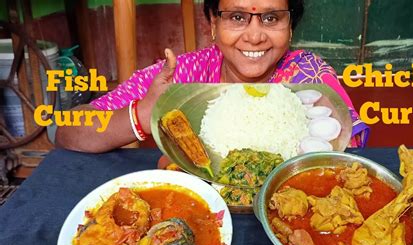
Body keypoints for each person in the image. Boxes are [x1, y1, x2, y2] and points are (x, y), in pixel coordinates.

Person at [56, 0, 369, 153]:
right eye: (237, 17)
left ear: (291, 26)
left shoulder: (311, 78)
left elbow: (347, 161)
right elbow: (67, 131)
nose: (255, 36)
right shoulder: (182, 74)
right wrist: (142, 114)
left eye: (271, 18)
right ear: (212, 23)